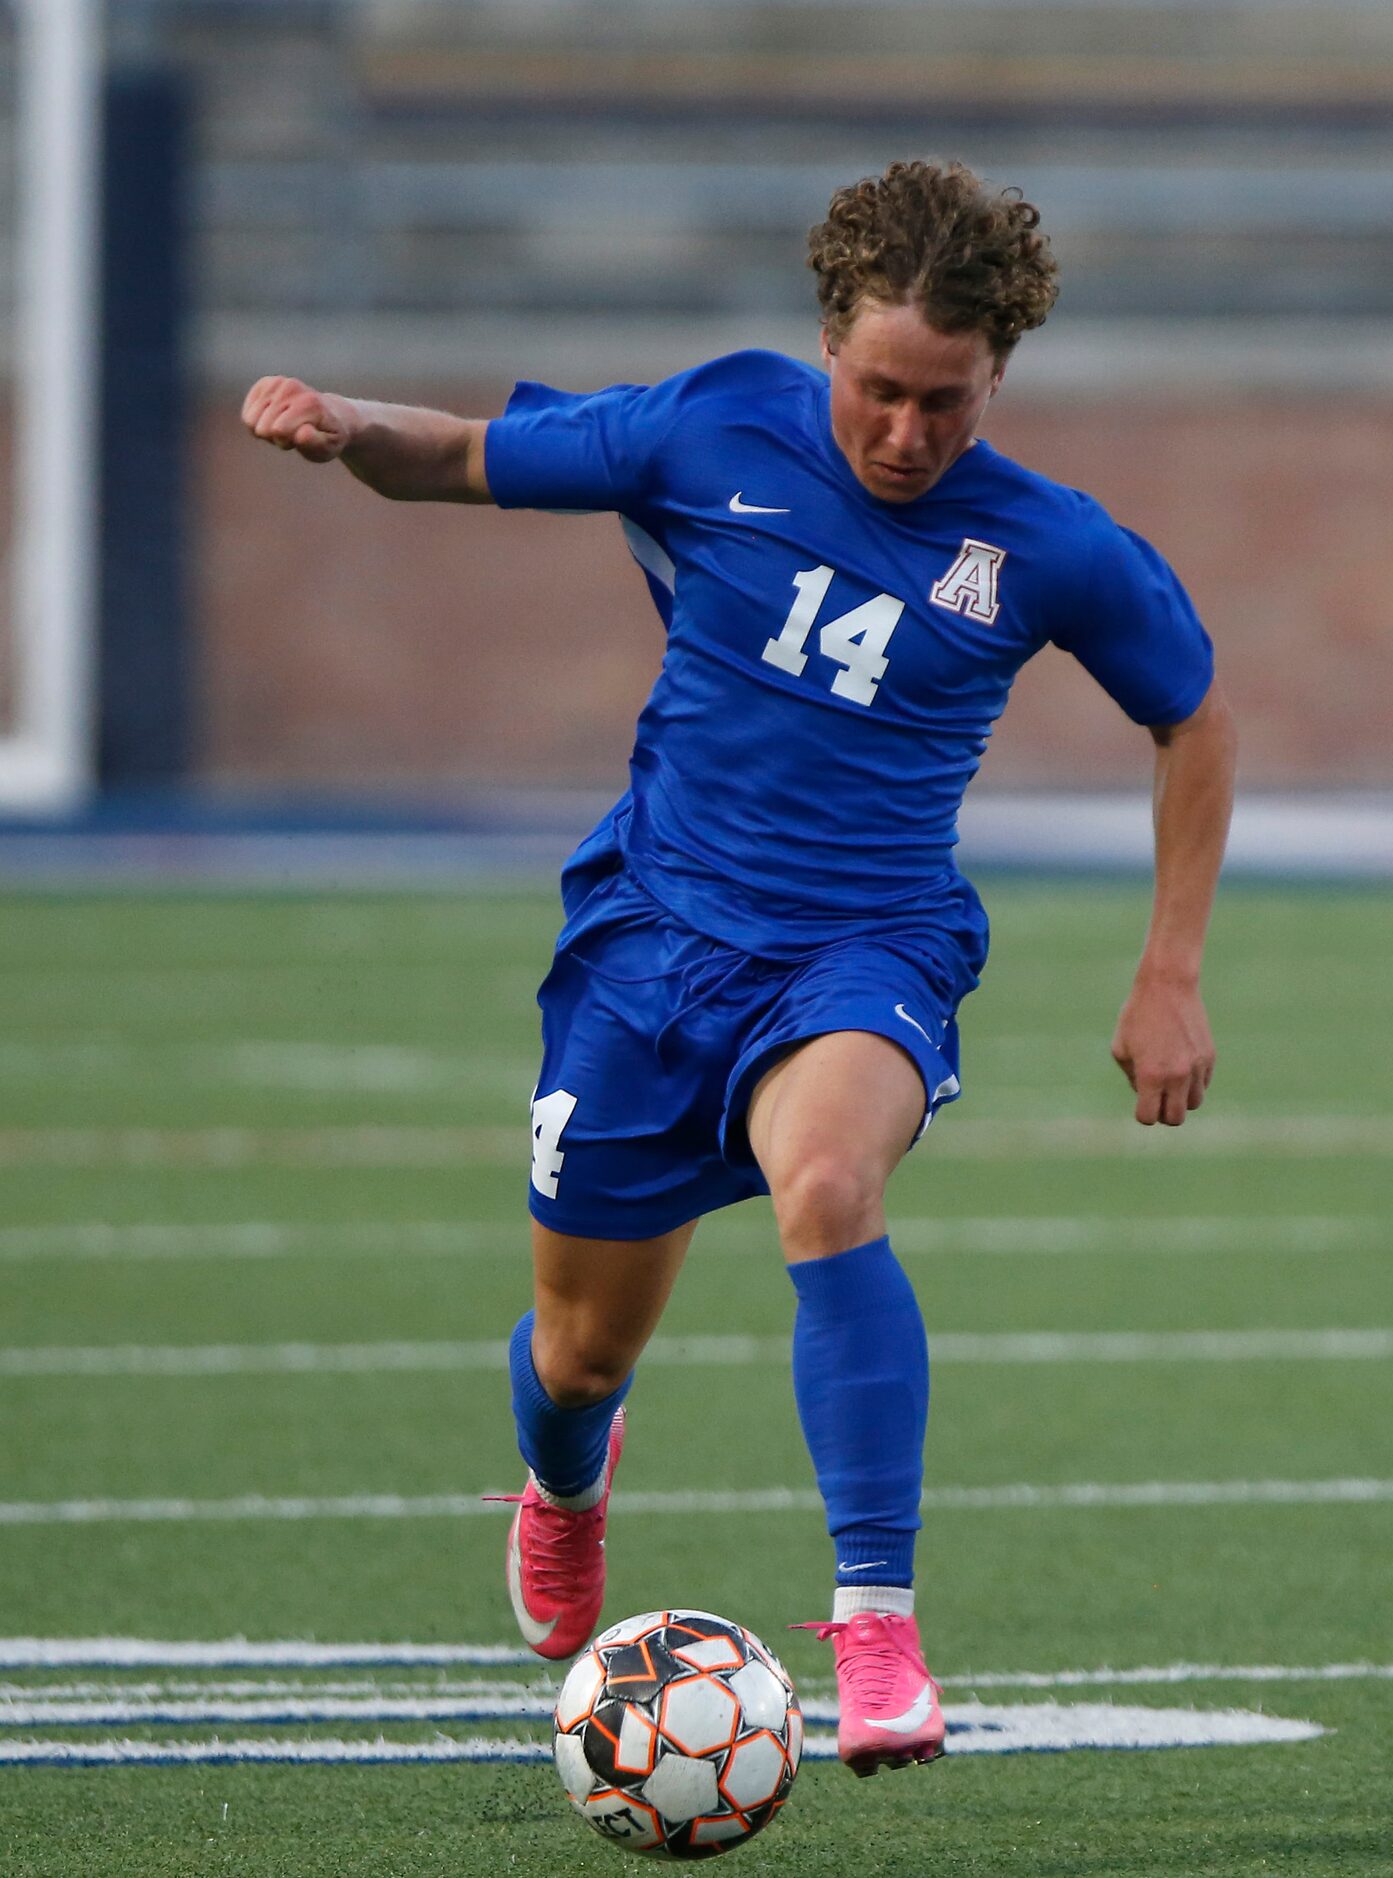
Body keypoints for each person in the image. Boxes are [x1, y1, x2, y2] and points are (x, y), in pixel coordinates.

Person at [241, 160, 1236, 1778]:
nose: (908, 434)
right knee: (579, 1351)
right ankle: (569, 1477)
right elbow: (465, 458)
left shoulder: (1052, 546)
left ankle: (876, 1628)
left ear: (1002, 377)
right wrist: (345, 422)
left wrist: (1170, 968)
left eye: (948, 402)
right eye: (879, 392)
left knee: (830, 1182)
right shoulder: (714, 427)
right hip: (654, 944)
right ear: (824, 344)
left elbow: (1193, 717)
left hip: (867, 945)